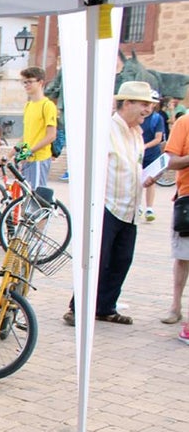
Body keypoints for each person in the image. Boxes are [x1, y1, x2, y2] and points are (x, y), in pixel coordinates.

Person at [62, 81, 157, 327]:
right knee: (97, 260)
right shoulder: (106, 130)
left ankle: (105, 307)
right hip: (106, 205)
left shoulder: (137, 133)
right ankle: (78, 307)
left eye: (149, 105)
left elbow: (132, 166)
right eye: (143, 104)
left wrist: (146, 178)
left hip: (129, 207)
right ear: (127, 103)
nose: (148, 109)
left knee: (121, 260)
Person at [159, 107, 189, 331]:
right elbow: (169, 161)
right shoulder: (184, 122)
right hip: (187, 199)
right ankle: (175, 307)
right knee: (183, 257)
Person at [18, 66, 59, 191]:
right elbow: (27, 135)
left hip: (39, 158)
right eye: (24, 82)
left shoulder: (47, 106)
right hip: (28, 158)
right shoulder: (28, 106)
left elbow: (51, 135)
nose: (26, 85)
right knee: (26, 195)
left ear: (40, 82)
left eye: (30, 82)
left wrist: (31, 151)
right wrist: (19, 155)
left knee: (36, 194)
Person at [141, 89, 167, 222]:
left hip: (151, 154)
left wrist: (145, 146)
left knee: (150, 180)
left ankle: (149, 208)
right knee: (136, 180)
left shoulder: (157, 118)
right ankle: (138, 205)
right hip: (137, 153)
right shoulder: (137, 116)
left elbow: (158, 138)